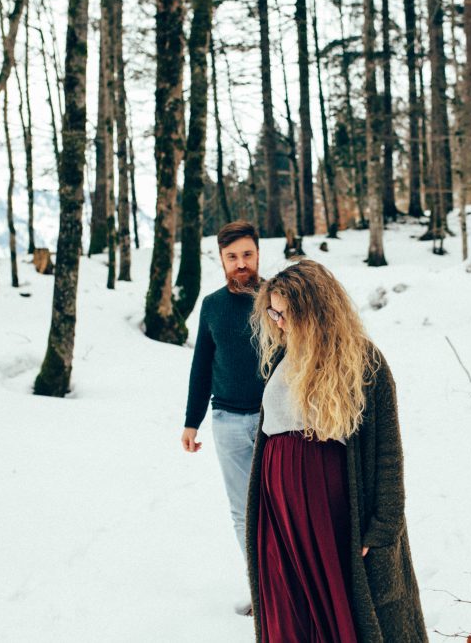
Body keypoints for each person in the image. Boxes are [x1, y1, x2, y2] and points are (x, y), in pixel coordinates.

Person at [245, 259, 428, 642]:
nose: (277, 322)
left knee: (340, 614)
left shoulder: (364, 363)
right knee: (289, 612)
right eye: (272, 312)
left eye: (285, 313)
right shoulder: (281, 358)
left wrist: (382, 529)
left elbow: (389, 456)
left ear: (313, 310)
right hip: (279, 513)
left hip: (331, 512)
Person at [181, 220, 264, 615]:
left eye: (247, 254)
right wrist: (191, 421)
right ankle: (263, 590)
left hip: (275, 422)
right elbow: (202, 365)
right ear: (221, 259)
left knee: (282, 504)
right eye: (232, 257)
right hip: (228, 421)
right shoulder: (212, 306)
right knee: (242, 512)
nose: (240, 263)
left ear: (258, 253)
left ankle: (293, 585)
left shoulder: (276, 298)